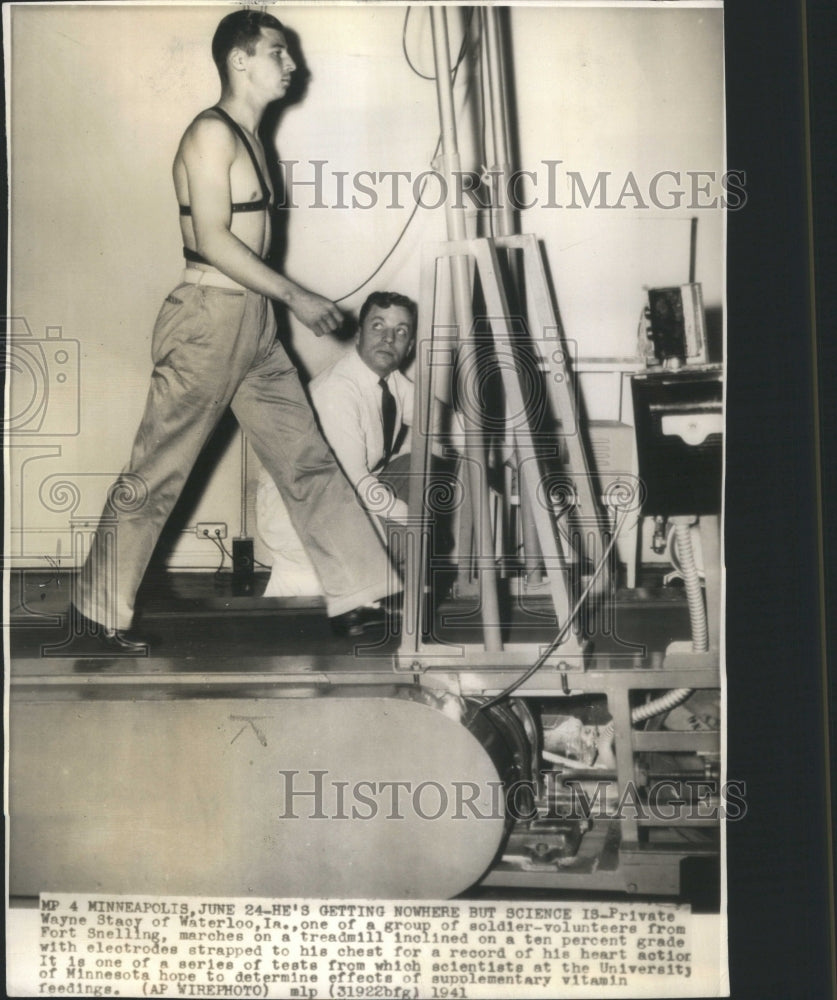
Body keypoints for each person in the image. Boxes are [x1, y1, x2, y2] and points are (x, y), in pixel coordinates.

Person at [73, 10, 397, 650]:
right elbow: (216, 241)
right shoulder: (210, 135)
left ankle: (358, 596)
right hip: (208, 320)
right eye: (279, 52)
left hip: (254, 323)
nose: (292, 65)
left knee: (306, 457)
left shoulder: (252, 137)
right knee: (160, 469)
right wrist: (296, 295)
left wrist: (277, 306)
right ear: (239, 61)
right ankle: (94, 612)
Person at [257, 291, 458, 596]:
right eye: (378, 326)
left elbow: (448, 424)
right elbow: (355, 479)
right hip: (304, 513)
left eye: (400, 331)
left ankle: (390, 582)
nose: (389, 338)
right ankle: (389, 592)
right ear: (359, 335)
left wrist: (510, 452)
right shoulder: (339, 389)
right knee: (413, 534)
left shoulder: (392, 383)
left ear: (410, 346)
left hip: (344, 500)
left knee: (424, 464)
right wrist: (417, 523)